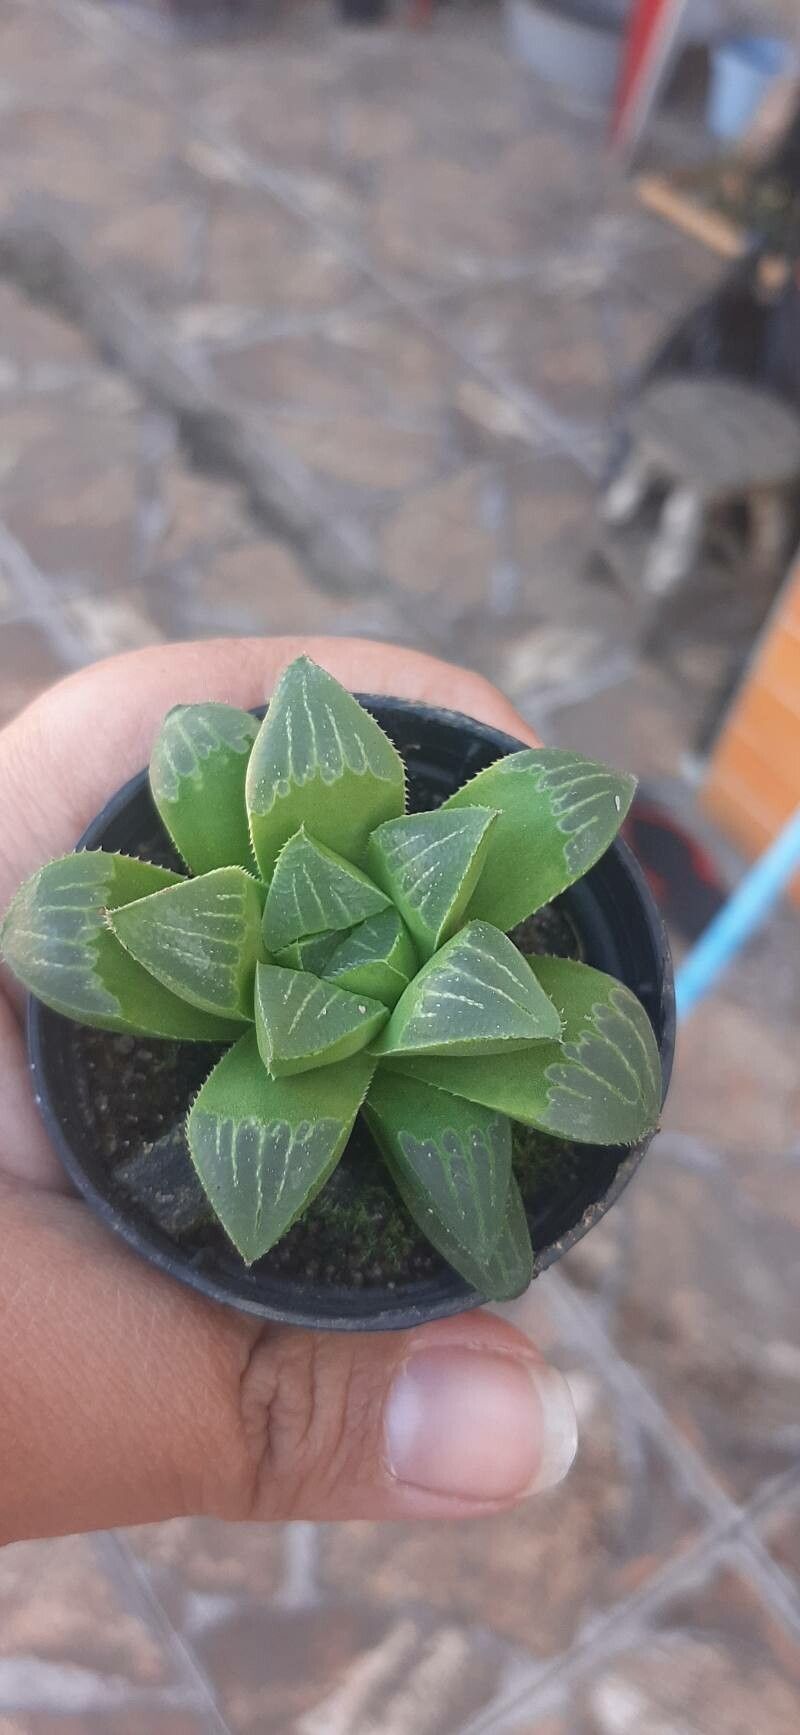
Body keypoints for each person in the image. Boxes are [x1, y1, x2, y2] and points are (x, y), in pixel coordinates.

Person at [0, 635, 577, 1547]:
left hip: (444, 1034)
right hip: (268, 1049)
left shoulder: (472, 974)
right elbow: (189, 745)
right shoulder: (211, 938)